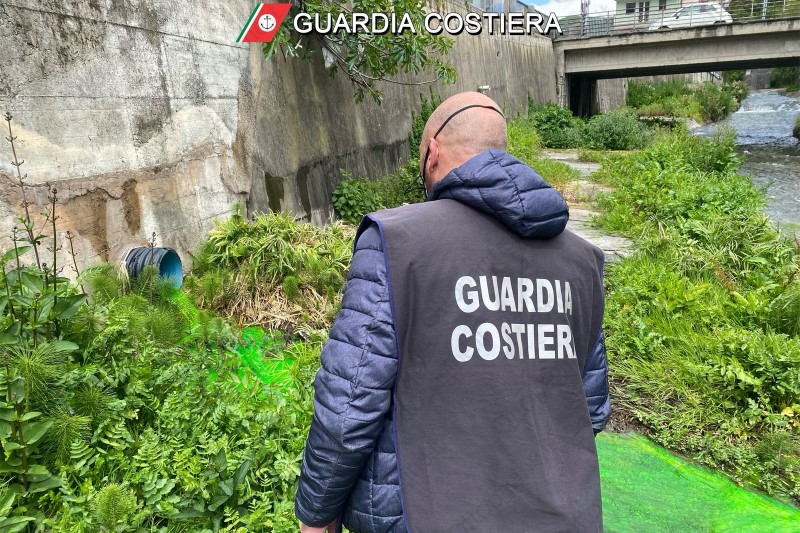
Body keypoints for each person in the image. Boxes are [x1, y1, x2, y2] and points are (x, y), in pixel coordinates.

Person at [295, 91, 611, 533]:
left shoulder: (394, 242)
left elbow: (349, 405)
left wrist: (316, 511)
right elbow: (590, 408)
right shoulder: (583, 261)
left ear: (432, 153)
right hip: (560, 516)